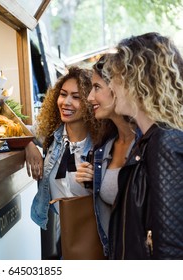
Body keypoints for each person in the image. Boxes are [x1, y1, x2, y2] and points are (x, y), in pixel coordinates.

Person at [105, 32, 183, 259]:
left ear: (137, 80)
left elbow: (171, 248)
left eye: (116, 77)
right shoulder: (152, 139)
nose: (111, 85)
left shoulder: (165, 142)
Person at [25, 66, 100, 258]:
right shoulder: (51, 136)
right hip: (65, 238)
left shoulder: (102, 145)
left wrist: (96, 179)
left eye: (76, 97)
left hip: (97, 239)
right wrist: (28, 145)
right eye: (63, 94)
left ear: (91, 101)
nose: (66, 102)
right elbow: (16, 129)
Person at [75, 54, 137, 257]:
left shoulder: (150, 145)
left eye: (97, 88)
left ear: (118, 87)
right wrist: (93, 181)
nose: (90, 97)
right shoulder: (105, 147)